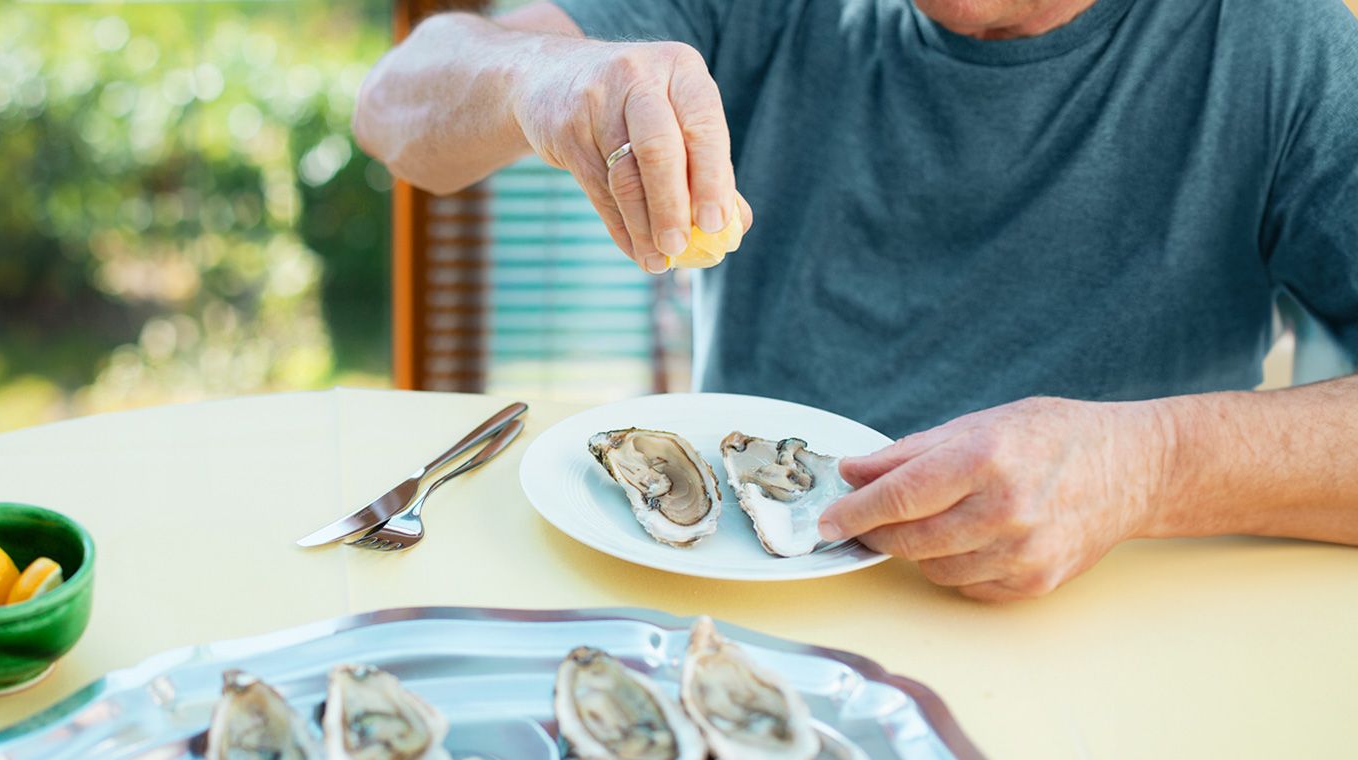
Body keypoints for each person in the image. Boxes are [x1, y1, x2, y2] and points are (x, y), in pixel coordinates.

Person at [353, 0, 1358, 600]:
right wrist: (546, 77)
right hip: (746, 602)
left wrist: (1149, 469)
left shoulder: (1288, 45)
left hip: (1107, 631)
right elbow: (395, 107)